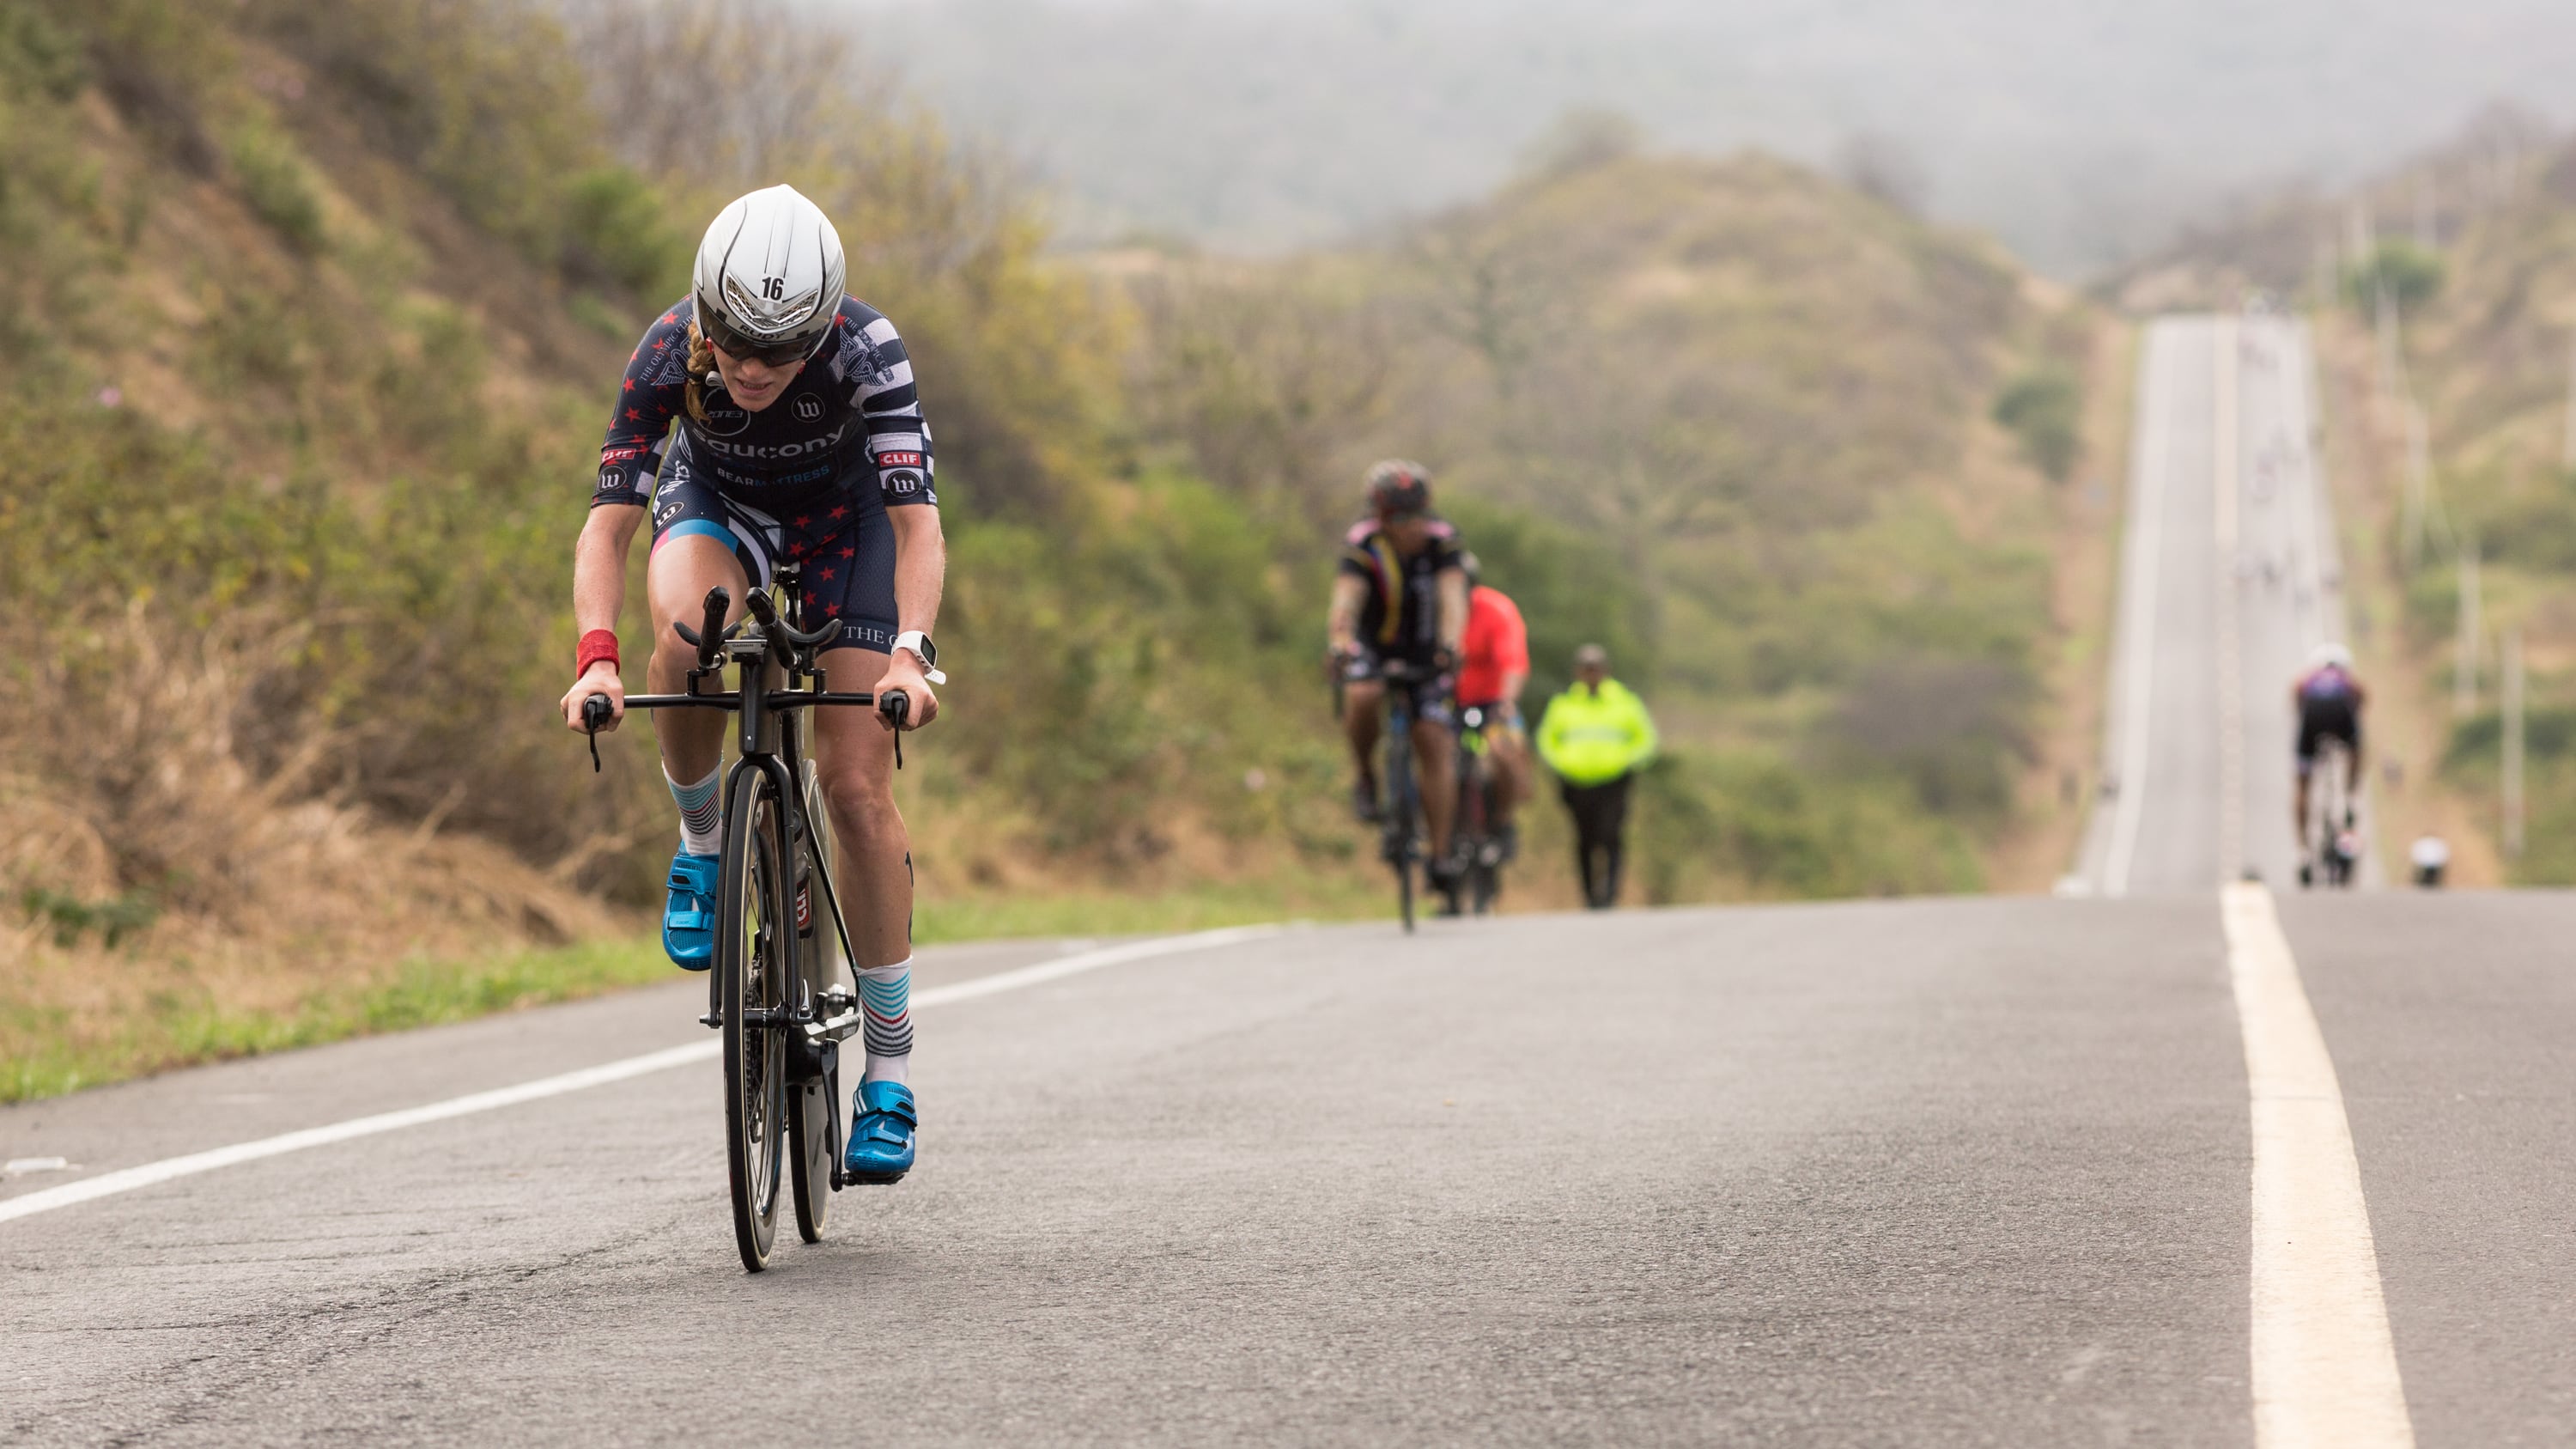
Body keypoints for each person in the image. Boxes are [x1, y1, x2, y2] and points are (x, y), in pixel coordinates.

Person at [558, 185, 940, 1184]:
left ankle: (890, 1073)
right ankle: (703, 844)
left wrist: (911, 652)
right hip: (723, 505)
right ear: (706, 313)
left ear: (823, 324)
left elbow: (915, 526)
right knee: (684, 644)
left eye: (782, 349)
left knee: (856, 787)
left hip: (845, 526)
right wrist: (595, 656)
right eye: (733, 342)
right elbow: (608, 526)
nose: (752, 367)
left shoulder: (869, 349)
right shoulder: (666, 347)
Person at [1327, 460, 1469, 886]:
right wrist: (1340, 642)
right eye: (1401, 518)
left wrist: (1451, 643)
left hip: (1427, 649)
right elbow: (1346, 601)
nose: (1413, 527)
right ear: (1381, 518)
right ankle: (1366, 776)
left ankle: (1440, 856)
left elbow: (1453, 598)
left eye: (1419, 515)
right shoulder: (1363, 544)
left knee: (1434, 741)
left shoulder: (1443, 543)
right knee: (1364, 695)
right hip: (1375, 645)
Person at [1536, 644, 1658, 910]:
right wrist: (1561, 764)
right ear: (1578, 672)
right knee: (1585, 838)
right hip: (1576, 782)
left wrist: (1628, 761)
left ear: (1605, 670)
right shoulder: (1564, 704)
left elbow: (1646, 739)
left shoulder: (1626, 702)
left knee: (1611, 834)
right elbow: (1547, 740)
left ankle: (1611, 893)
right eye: (1586, 669)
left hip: (1614, 780)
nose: (1591, 674)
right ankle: (1590, 895)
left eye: (1596, 669)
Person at [1452, 551, 1532, 864]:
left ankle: (1503, 824)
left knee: (1505, 753)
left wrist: (1507, 701)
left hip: (1494, 704)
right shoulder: (1429, 615)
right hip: (1447, 703)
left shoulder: (1497, 610)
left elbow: (1512, 661)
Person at [2291, 641, 2366, 881]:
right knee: (2358, 749)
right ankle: (2351, 796)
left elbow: (2296, 696)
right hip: (2342, 714)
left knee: (2302, 784)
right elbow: (2363, 698)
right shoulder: (2346, 679)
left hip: (2311, 718)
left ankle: (2303, 850)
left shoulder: (2309, 678)